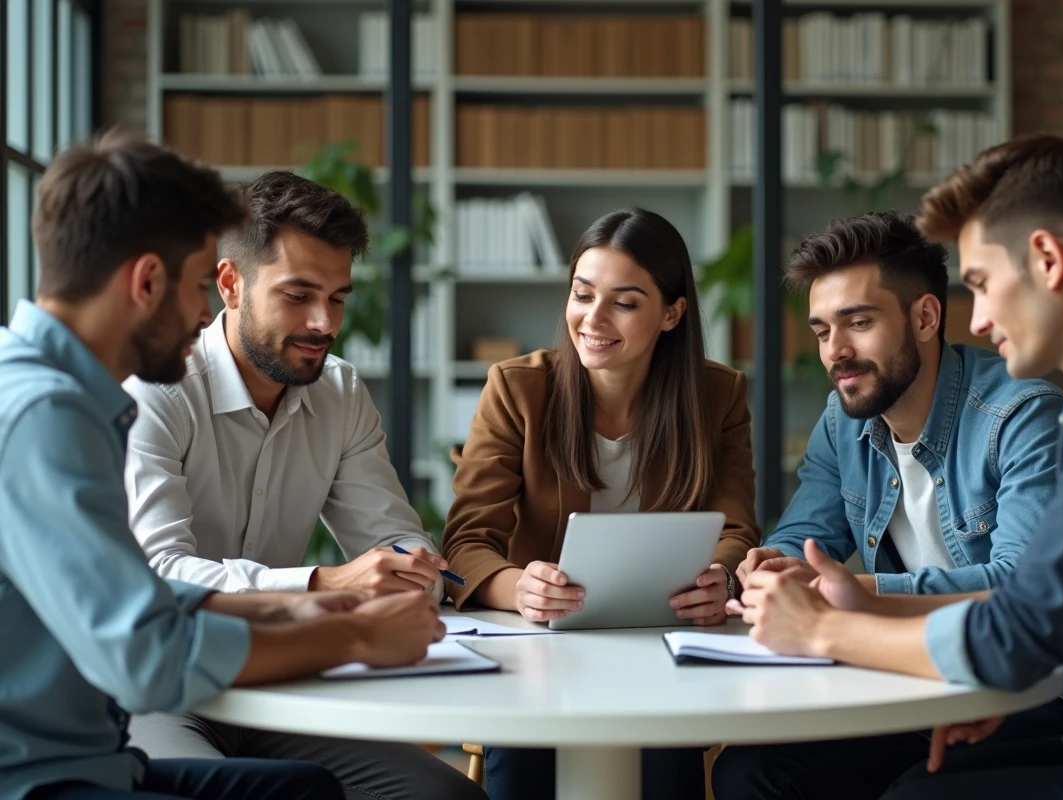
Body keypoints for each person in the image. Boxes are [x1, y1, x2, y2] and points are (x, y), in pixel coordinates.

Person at [733, 134, 1063, 800]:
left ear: (1047, 259)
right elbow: (1044, 603)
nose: (977, 320)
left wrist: (822, 627)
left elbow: (1023, 619)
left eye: (980, 283)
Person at [0, 132, 448, 800]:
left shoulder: (63, 396)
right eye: (196, 286)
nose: (201, 313)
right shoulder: (49, 413)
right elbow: (145, 650)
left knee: (324, 791)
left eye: (338, 297)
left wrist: (311, 605)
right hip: (44, 775)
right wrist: (349, 631)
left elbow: (139, 597)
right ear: (147, 282)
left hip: (90, 756)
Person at [712, 210, 1063, 799]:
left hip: (1045, 687)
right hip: (913, 674)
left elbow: (1020, 586)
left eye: (858, 322)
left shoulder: (1021, 416)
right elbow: (805, 535)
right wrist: (774, 568)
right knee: (748, 771)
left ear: (924, 317)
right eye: (822, 331)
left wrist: (858, 592)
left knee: (918, 789)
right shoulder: (844, 420)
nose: (836, 351)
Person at [120, 169, 480, 800]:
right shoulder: (157, 390)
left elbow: (393, 537)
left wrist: (409, 569)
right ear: (230, 284)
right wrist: (325, 584)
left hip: (280, 683)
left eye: (338, 298)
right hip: (158, 687)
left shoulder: (340, 392)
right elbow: (161, 577)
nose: (324, 322)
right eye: (298, 295)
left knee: (446, 797)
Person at [441, 207, 760, 799]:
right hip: (540, 648)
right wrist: (519, 588)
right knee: (523, 744)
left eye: (625, 302)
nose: (593, 318)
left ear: (672, 313)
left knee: (666, 752)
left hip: (661, 644)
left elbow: (737, 530)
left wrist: (722, 578)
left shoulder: (717, 396)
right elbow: (465, 544)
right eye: (582, 294)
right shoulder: (518, 389)